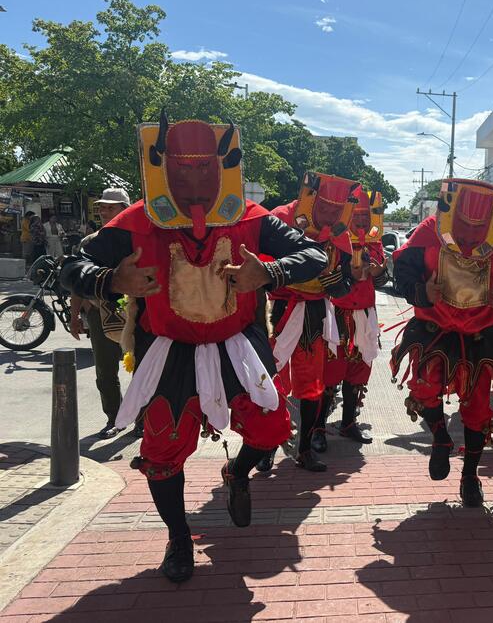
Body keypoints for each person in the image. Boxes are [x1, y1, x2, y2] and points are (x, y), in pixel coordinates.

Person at [61, 111, 328, 583]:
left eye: (204, 166)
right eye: (182, 168)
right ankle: (179, 538)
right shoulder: (137, 220)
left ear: (221, 167)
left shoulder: (250, 218)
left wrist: (268, 272)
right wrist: (108, 278)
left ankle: (237, 473)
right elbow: (66, 265)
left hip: (239, 346)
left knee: (270, 431)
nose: (194, 178)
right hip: (169, 350)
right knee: (162, 454)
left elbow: (314, 255)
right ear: (163, 168)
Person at [390, 179, 493, 507]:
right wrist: (420, 291)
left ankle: (470, 474)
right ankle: (440, 439)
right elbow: (402, 270)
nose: (471, 232)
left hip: (480, 336)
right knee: (423, 389)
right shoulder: (430, 230)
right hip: (433, 331)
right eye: (465, 221)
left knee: (477, 410)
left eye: (480, 224)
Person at [260, 171, 356, 473]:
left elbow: (346, 281)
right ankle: (263, 446)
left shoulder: (340, 230)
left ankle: (304, 449)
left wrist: (336, 283)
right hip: (278, 311)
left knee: (311, 385)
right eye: (324, 207)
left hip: (315, 314)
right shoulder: (281, 217)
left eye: (335, 210)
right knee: (270, 382)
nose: (328, 215)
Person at [321, 186, 388, 448]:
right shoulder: (335, 243)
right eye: (356, 216)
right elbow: (328, 278)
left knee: (360, 369)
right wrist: (348, 272)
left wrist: (379, 271)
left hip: (366, 313)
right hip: (339, 313)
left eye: (365, 216)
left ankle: (348, 422)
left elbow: (381, 280)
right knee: (331, 370)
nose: (361, 221)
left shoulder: (376, 242)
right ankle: (316, 428)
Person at [69, 188, 132, 439]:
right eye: (103, 207)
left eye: (111, 207)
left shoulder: (137, 240)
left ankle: (143, 417)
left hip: (134, 312)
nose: (104, 211)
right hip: (97, 311)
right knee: (105, 371)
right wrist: (75, 316)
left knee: (143, 368)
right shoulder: (90, 243)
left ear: (124, 210)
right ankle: (114, 418)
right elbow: (78, 282)